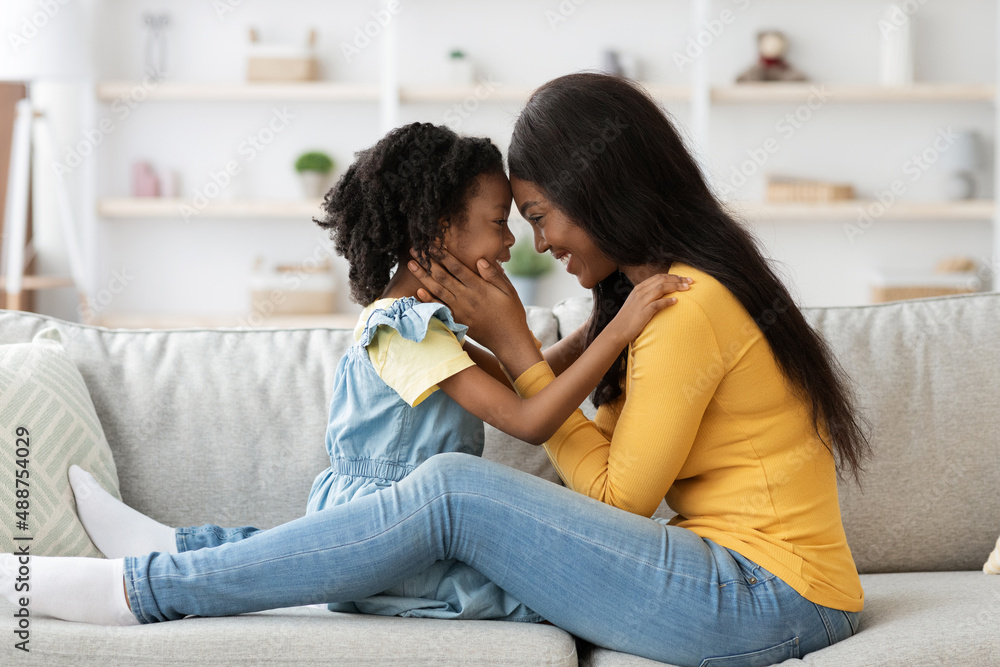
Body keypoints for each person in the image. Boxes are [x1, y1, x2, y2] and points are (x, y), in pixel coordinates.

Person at [1, 73, 871, 667]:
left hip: (768, 597)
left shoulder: (682, 305)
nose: (535, 244)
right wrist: (536, 351)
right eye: (514, 219)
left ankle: (144, 588)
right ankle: (173, 554)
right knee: (437, 501)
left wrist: (528, 352)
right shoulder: (659, 299)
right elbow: (603, 454)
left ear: (599, 187)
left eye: (537, 215)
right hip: (748, 581)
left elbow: (614, 498)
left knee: (454, 489)